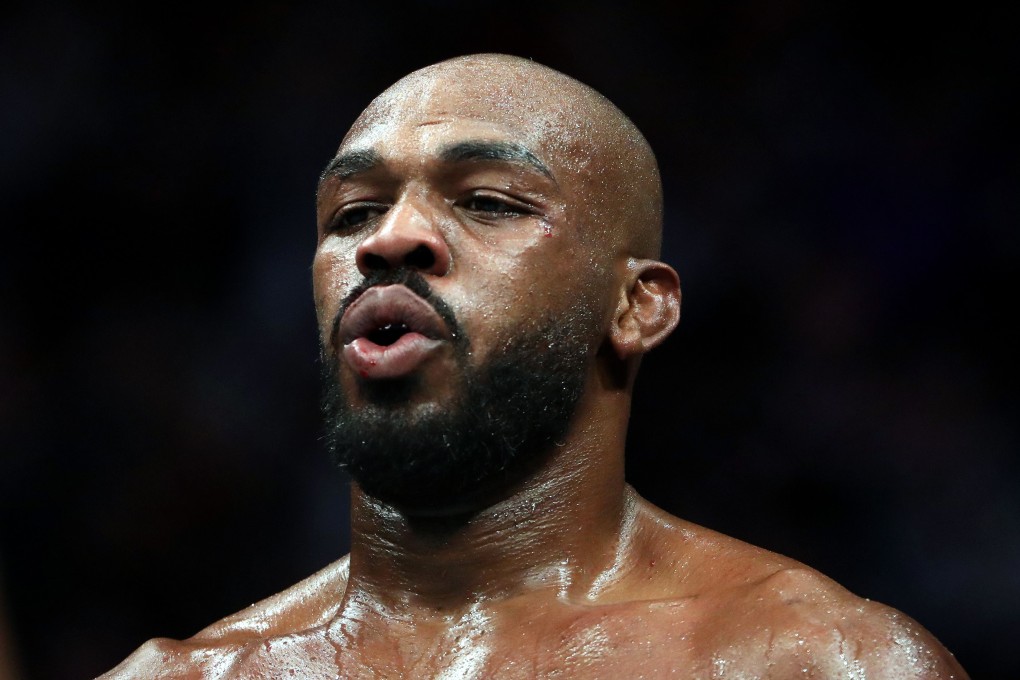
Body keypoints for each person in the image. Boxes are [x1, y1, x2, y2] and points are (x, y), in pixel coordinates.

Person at [102, 53, 968, 678]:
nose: (387, 239)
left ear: (638, 307)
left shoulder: (814, 663)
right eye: (351, 212)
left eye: (486, 201)